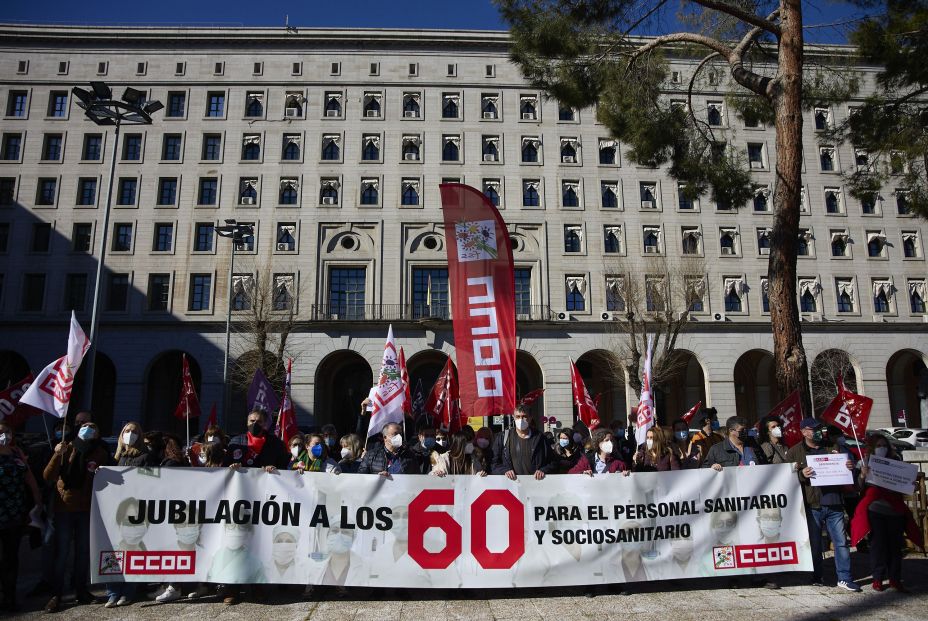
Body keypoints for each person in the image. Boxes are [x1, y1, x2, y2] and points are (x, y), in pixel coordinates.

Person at [787, 417, 861, 592]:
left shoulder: (832, 447)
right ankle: (817, 576)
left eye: (819, 428)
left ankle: (844, 578)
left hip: (834, 502)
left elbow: (850, 467)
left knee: (841, 542)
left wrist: (850, 466)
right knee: (815, 544)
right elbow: (786, 479)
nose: (817, 432)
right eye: (813, 429)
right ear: (804, 432)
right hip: (812, 505)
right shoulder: (794, 452)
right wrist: (801, 474)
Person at [851, 435, 924, 592]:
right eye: (878, 445)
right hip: (875, 510)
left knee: (895, 547)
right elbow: (857, 488)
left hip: (895, 511)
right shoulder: (864, 462)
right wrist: (862, 475)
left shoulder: (896, 461)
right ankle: (878, 578)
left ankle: (895, 579)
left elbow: (906, 484)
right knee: (878, 546)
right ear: (871, 447)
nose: (882, 447)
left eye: (884, 445)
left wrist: (912, 484)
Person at [0, 423, 40, 612]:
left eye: (7, 432)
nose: (5, 435)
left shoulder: (16, 453)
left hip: (14, 513)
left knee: (10, 557)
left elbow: (29, 478)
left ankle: (9, 596)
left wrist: (37, 500)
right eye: (1, 432)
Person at [490, 405, 556, 479]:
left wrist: (543, 470)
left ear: (530, 418)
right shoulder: (503, 437)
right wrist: (504, 471)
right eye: (518, 416)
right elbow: (494, 463)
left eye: (524, 416)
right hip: (512, 484)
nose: (521, 419)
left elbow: (553, 462)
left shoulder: (541, 438)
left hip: (536, 484)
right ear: (513, 417)